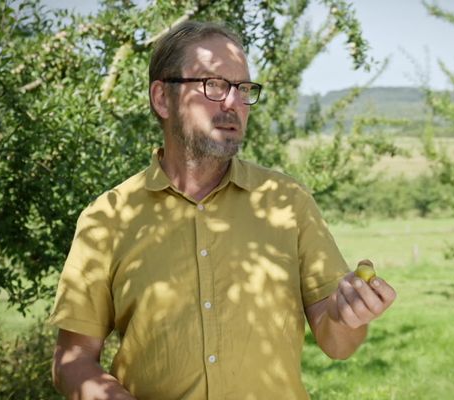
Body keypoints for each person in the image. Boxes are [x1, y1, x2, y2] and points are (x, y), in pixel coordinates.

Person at [49, 20, 396, 400]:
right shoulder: (107, 217)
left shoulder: (288, 201)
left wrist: (349, 316)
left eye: (243, 88)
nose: (233, 102)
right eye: (213, 85)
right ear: (162, 98)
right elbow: (72, 360)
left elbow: (338, 344)